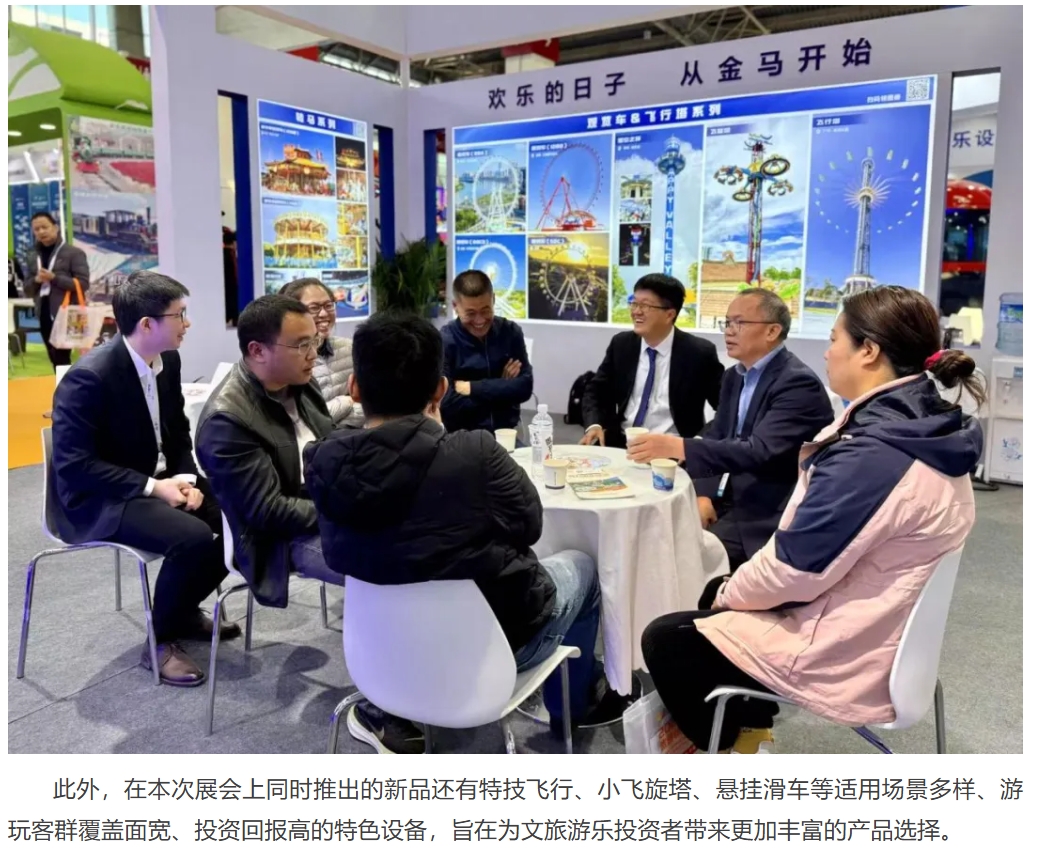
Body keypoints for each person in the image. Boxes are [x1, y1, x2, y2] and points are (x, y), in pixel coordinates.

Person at [641, 286, 985, 754]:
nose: (826, 352)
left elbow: (794, 569)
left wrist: (728, 594)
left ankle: (732, 746)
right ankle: (746, 728)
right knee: (713, 597)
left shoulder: (873, 454)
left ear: (869, 351)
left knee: (668, 639)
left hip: (850, 647)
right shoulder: (927, 428)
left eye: (834, 339)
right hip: (886, 624)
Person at [306, 311, 632, 754]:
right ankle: (574, 705)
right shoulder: (474, 453)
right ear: (440, 389)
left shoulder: (322, 460)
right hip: (490, 652)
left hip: (379, 653)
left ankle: (396, 710)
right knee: (582, 565)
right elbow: (530, 527)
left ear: (355, 389)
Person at [50, 270, 235, 687]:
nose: (187, 323)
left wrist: (186, 478)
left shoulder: (168, 361)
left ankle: (181, 611)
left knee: (238, 514)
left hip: (154, 478)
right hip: (98, 498)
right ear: (148, 324)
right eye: (179, 315)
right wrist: (154, 487)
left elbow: (177, 433)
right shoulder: (90, 377)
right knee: (191, 537)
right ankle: (160, 641)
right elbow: (74, 466)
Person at [627, 288, 834, 586]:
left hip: (768, 509)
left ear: (772, 331)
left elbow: (759, 451)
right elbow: (719, 435)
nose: (729, 331)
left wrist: (678, 446)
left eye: (740, 323)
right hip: (731, 495)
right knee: (651, 529)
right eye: (726, 322)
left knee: (677, 558)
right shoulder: (736, 376)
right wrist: (703, 493)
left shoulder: (797, 383)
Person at [195, 295, 344, 613]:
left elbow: (330, 448)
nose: (313, 354)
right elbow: (267, 511)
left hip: (319, 507)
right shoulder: (227, 420)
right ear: (257, 351)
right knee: (386, 559)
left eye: (314, 341)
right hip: (277, 540)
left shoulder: (301, 383)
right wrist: (342, 511)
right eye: (301, 345)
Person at [581, 273, 723, 449]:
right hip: (621, 442)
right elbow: (596, 391)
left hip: (672, 448)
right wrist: (595, 424)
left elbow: (726, 407)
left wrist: (698, 442)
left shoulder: (699, 353)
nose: (636, 311)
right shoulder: (622, 344)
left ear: (669, 314)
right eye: (634, 303)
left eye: (645, 306)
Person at [440, 270, 533, 435]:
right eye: (470, 313)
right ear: (456, 307)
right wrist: (502, 386)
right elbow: (447, 404)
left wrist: (473, 388)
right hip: (461, 437)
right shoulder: (445, 341)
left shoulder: (510, 332)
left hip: (506, 434)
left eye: (485, 310)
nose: (479, 320)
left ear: (493, 300)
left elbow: (525, 388)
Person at [279, 277, 361, 426]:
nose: (324, 314)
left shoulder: (350, 349)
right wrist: (346, 401)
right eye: (314, 308)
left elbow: (370, 406)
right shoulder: (284, 359)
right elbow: (297, 422)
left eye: (328, 305)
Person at [22, 212, 91, 370]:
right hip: (44, 312)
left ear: (55, 228)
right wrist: (36, 280)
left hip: (69, 313)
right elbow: (27, 289)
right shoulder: (32, 255)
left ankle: (67, 385)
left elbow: (83, 284)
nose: (41, 231)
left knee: (62, 357)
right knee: (53, 357)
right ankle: (63, 383)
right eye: (36, 229)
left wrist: (54, 278)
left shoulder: (74, 253)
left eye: (44, 227)